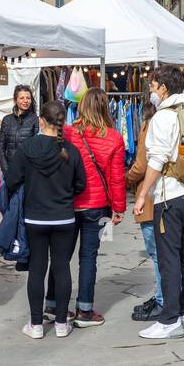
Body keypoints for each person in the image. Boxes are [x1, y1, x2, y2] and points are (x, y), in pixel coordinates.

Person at [7, 100, 86, 339]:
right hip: (63, 218)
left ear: (41, 120)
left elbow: (11, 180)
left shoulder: (27, 148)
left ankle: (36, 324)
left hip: (35, 218)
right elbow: (80, 184)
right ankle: (61, 323)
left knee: (37, 270)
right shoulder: (70, 151)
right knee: (62, 268)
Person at [133, 64, 184, 339]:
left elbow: (156, 160)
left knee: (168, 258)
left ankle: (169, 318)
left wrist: (141, 194)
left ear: (163, 87)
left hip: (169, 195)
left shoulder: (163, 117)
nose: (151, 90)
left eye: (153, 85)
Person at [61, 87, 126, 326]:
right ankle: (85, 310)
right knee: (88, 257)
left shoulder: (68, 133)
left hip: (67, 204)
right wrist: (118, 208)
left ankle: (53, 306)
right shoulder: (113, 137)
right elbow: (116, 177)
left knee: (61, 257)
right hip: (96, 206)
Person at [127, 100, 163, 322]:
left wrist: (127, 178)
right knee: (169, 251)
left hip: (150, 196)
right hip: (173, 195)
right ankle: (168, 298)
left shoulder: (149, 125)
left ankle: (162, 299)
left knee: (157, 252)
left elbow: (141, 165)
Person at [0, 84, 39, 177]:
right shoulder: (7, 120)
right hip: (9, 169)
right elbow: (0, 147)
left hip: (27, 172)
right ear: (15, 100)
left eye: (28, 98)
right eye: (22, 98)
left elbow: (36, 149)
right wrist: (6, 170)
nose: (25, 101)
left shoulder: (35, 120)